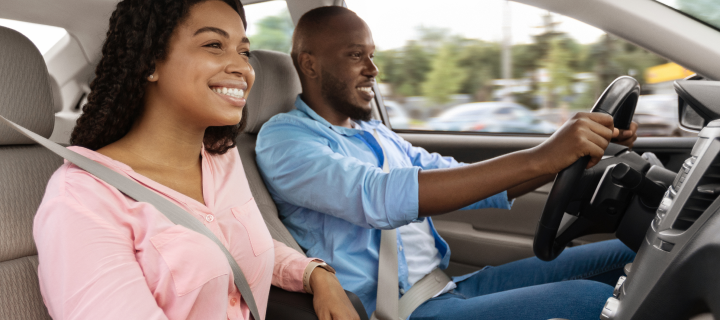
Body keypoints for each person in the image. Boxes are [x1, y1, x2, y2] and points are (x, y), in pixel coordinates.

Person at [255, 6, 638, 320]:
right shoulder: (285, 139)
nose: (372, 69)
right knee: (589, 302)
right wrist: (542, 156)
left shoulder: (375, 133)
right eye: (356, 55)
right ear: (309, 64)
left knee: (632, 250)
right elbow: (379, 196)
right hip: (400, 311)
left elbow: (457, 179)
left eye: (372, 55)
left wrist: (564, 156)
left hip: (448, 286)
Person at [33, 1, 360, 319]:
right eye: (214, 44)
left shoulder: (223, 158)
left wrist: (316, 275)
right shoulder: (81, 198)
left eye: (243, 51)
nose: (243, 68)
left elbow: (241, 245)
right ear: (149, 63)